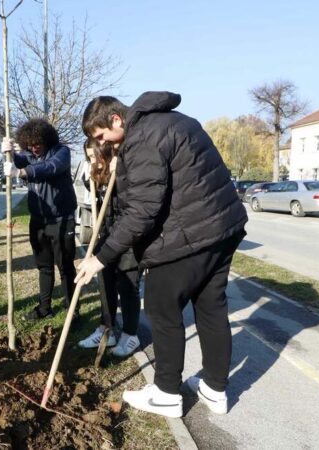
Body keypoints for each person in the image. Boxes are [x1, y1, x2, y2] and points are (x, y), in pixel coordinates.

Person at [76, 94, 248, 418]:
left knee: (160, 305)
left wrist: (101, 257)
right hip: (224, 227)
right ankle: (215, 389)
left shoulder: (141, 137)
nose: (103, 143)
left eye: (101, 136)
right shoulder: (173, 120)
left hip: (191, 235)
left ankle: (167, 393)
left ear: (115, 120)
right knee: (211, 307)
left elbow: (143, 210)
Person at [2, 119, 78, 321]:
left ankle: (72, 310)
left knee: (66, 267)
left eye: (38, 144)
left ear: (47, 140)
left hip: (62, 219)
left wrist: (22, 172)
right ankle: (45, 308)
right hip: (38, 220)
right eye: (30, 145)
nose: (34, 149)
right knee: (44, 266)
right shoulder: (28, 155)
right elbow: (18, 160)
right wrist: (7, 151)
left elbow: (50, 168)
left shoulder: (61, 152)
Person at [76, 138, 141, 358]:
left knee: (128, 285)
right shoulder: (98, 172)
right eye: (88, 158)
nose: (92, 161)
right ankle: (107, 329)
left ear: (104, 151)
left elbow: (136, 200)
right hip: (108, 234)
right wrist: (88, 176)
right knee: (105, 283)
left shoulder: (123, 165)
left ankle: (130, 335)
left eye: (94, 156)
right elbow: (96, 195)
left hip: (130, 237)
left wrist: (121, 171)